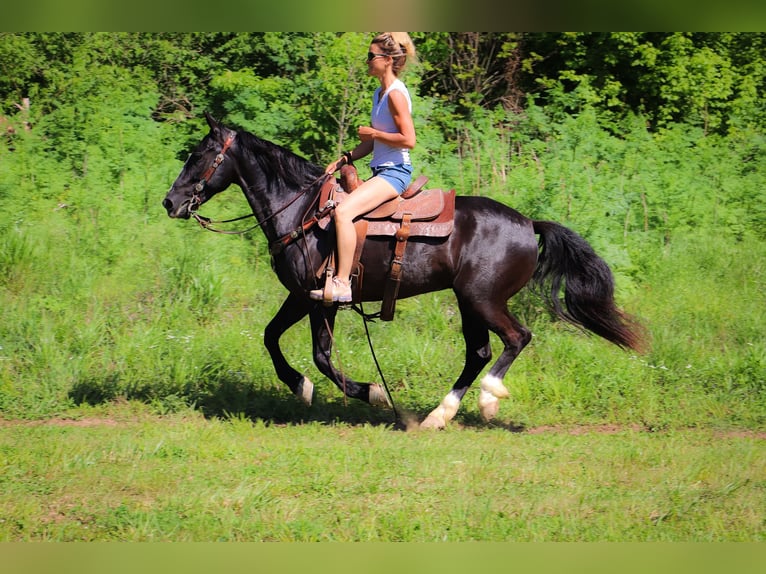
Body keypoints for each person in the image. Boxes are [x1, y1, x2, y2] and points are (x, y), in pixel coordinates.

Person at [310, 32, 417, 303]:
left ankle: (342, 283)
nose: (367, 61)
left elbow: (409, 140)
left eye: (371, 56)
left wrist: (373, 133)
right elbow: (371, 143)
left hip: (396, 173)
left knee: (343, 212)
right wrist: (345, 158)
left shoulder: (395, 95)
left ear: (388, 60)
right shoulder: (378, 93)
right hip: (381, 170)